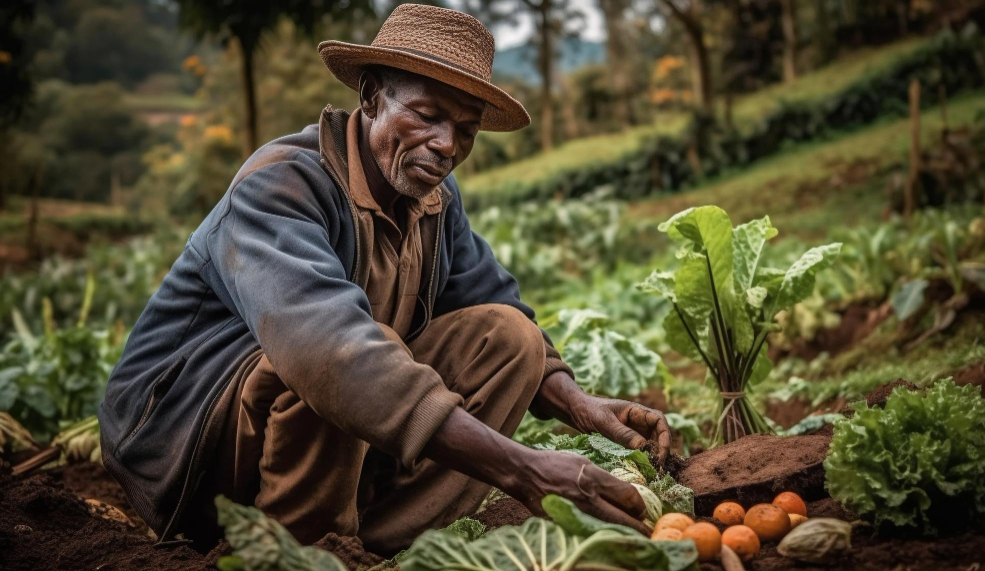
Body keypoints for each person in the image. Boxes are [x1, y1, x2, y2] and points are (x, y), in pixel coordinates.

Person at [98, 3, 671, 555]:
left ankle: (377, 541)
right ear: (371, 98)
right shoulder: (279, 186)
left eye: (465, 130)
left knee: (510, 340)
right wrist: (521, 468)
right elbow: (328, 349)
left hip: (327, 418)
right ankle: (300, 549)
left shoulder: (432, 199)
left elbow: (488, 297)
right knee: (347, 358)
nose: (447, 145)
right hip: (183, 439)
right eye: (427, 115)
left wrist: (577, 404)